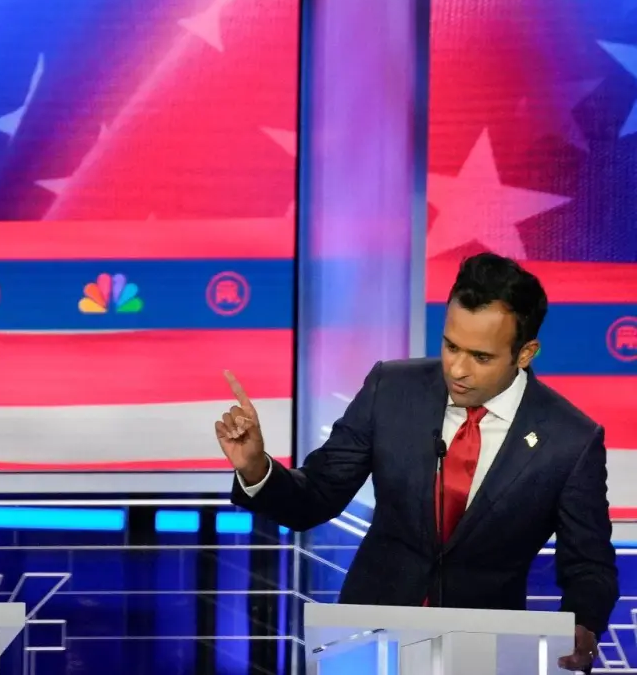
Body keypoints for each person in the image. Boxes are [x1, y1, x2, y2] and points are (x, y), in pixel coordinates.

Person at [217, 252, 616, 672]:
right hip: (369, 640)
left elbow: (589, 564)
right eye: (450, 346)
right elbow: (315, 497)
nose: (457, 369)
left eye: (480, 357)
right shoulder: (391, 390)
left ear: (525, 353)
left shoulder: (570, 440)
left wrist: (584, 621)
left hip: (484, 651)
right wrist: (256, 467)